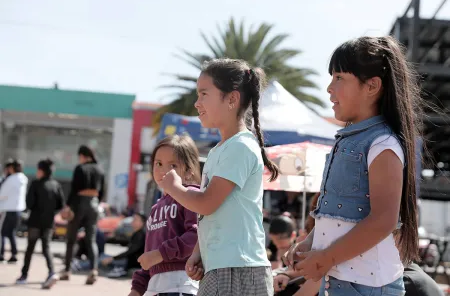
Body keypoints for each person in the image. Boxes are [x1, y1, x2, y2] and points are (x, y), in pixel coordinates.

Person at [284, 36, 422, 296]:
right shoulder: (351, 139)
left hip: (367, 288)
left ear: (372, 86)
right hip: (341, 283)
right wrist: (310, 243)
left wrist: (325, 258)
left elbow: (383, 220)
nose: (328, 88)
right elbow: (336, 217)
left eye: (339, 78)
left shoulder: (382, 143)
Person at [159, 59, 280, 296]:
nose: (197, 103)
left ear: (232, 99)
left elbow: (207, 203)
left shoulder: (240, 147)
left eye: (204, 94)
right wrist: (199, 252)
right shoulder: (221, 149)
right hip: (225, 267)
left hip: (239, 268)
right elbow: (213, 214)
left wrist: (175, 188)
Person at [129, 135, 200, 296]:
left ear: (188, 171)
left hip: (181, 285)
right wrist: (137, 289)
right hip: (154, 288)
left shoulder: (192, 195)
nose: (163, 171)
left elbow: (197, 236)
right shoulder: (156, 207)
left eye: (173, 165)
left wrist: (160, 254)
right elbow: (150, 256)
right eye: (158, 163)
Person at [15, 159, 65, 289]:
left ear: (41, 170)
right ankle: (52, 272)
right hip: (49, 222)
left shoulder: (36, 184)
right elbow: (61, 205)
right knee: (46, 248)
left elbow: (29, 203)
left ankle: (24, 275)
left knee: (30, 249)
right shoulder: (56, 185)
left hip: (35, 221)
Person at [60, 145, 105, 285]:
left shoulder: (80, 168)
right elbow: (102, 191)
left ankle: (67, 271)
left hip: (79, 203)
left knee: (71, 239)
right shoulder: (100, 170)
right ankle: (94, 269)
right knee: (90, 240)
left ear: (83, 156)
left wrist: (67, 206)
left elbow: (74, 190)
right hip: (94, 204)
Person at [0, 159, 28, 263]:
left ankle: (1, 254)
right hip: (18, 210)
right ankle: (14, 254)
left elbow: (2, 194)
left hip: (8, 209)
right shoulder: (23, 179)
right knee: (11, 233)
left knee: (2, 233)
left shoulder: (11, 179)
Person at [103, 212, 146, 278]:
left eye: (135, 219)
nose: (133, 221)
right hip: (129, 261)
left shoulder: (140, 235)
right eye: (133, 219)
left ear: (142, 223)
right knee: (103, 257)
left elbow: (130, 251)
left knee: (102, 258)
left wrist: (113, 258)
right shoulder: (137, 233)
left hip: (132, 264)